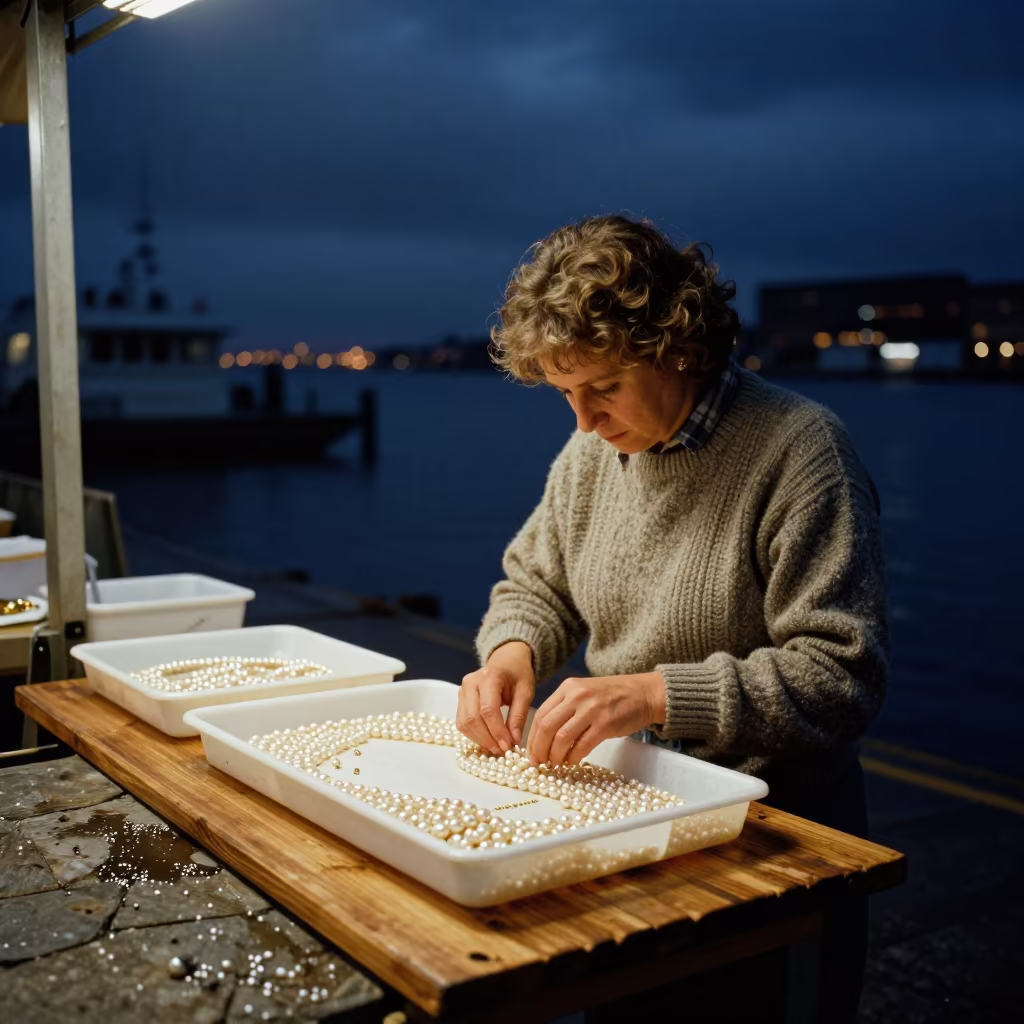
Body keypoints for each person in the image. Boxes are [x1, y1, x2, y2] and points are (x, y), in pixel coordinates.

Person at [456, 214, 889, 1021]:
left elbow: (843, 676)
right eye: (564, 395)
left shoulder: (802, 453)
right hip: (629, 811)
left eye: (604, 388)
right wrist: (510, 654)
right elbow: (535, 585)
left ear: (677, 350)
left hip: (774, 837)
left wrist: (652, 695)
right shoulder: (591, 454)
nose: (583, 422)